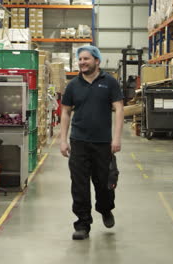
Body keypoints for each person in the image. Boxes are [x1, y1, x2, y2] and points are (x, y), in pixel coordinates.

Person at [60, 45, 124, 240]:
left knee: (104, 184)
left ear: (97, 61)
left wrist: (116, 137)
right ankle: (82, 224)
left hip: (103, 143)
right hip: (78, 142)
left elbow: (119, 109)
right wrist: (63, 140)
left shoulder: (110, 83)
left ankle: (105, 209)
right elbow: (65, 112)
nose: (82, 62)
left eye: (86, 59)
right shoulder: (73, 85)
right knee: (79, 185)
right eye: (80, 59)